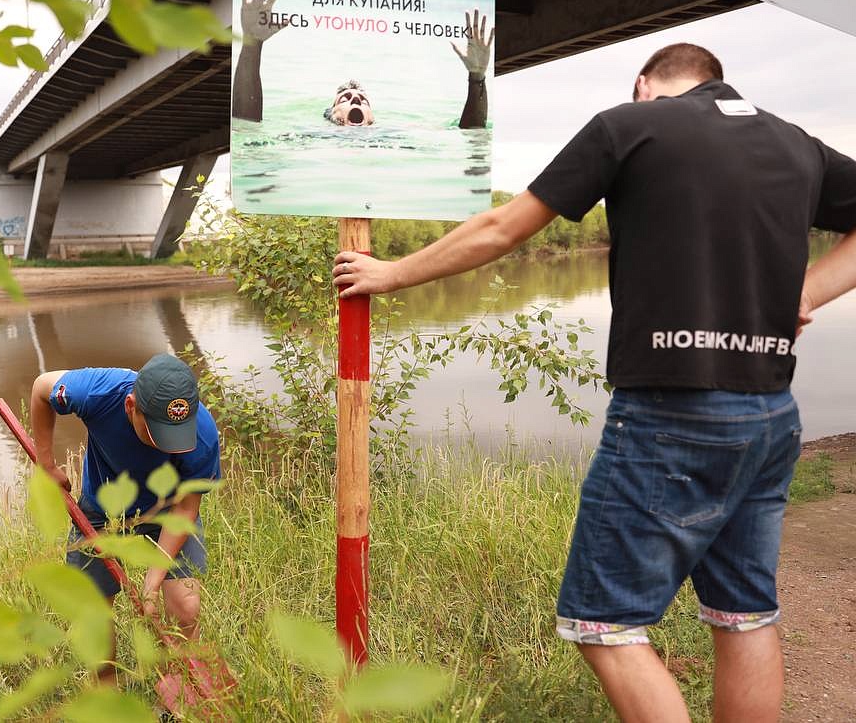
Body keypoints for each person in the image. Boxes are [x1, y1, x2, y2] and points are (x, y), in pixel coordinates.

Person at [332, 43, 856, 722]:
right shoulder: (795, 142)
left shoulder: (628, 125)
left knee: (603, 623)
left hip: (669, 413)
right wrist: (804, 292)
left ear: (644, 84)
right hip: (769, 414)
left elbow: (500, 229)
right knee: (744, 611)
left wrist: (389, 274)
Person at [29, 352, 221, 683]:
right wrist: (47, 465)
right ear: (131, 406)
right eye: (157, 434)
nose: (170, 449)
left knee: (185, 607)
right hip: (103, 511)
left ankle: (178, 693)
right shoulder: (97, 392)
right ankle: (106, 695)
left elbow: (186, 508)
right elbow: (40, 388)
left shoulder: (202, 435)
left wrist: (152, 581)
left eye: (177, 436)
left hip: (168, 509)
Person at [232, 0, 493, 129]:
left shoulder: (391, 137)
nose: (355, 99)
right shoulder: (310, 137)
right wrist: (252, 45)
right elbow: (246, 126)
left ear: (371, 118)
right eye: (344, 98)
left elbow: (471, 135)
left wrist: (477, 78)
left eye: (362, 100)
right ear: (331, 117)